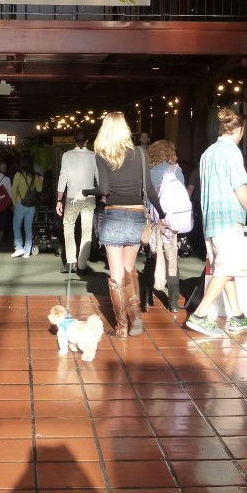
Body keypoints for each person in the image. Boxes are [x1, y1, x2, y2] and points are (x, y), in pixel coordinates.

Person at [80, 112, 163, 339]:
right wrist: (162, 214)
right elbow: (151, 189)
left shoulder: (102, 155)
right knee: (129, 270)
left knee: (116, 274)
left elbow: (104, 190)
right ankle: (135, 317)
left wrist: (85, 192)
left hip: (114, 216)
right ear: (125, 128)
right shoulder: (141, 153)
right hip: (137, 216)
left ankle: (121, 328)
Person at [187, 108, 247, 338]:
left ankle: (237, 316)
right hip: (229, 218)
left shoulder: (208, 153)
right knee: (227, 267)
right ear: (239, 130)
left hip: (211, 220)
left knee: (225, 267)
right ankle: (200, 315)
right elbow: (240, 186)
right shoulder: (232, 153)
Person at [146, 139, 185, 312]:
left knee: (151, 257)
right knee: (172, 259)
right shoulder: (176, 170)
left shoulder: (148, 172)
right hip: (171, 221)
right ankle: (173, 302)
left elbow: (145, 197)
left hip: (152, 220)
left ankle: (146, 298)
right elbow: (182, 196)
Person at [56, 129, 98, 275]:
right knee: (86, 231)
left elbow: (63, 178)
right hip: (90, 197)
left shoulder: (67, 156)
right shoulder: (94, 156)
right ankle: (82, 264)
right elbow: (98, 178)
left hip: (72, 197)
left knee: (68, 227)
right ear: (88, 140)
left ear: (74, 140)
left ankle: (70, 261)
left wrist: (58, 200)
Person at [10, 156, 43, 258]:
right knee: (28, 228)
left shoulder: (18, 175)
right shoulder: (34, 175)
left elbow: (13, 190)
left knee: (16, 226)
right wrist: (40, 180)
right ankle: (27, 251)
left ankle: (19, 248)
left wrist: (14, 203)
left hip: (20, 203)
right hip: (31, 205)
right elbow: (39, 189)